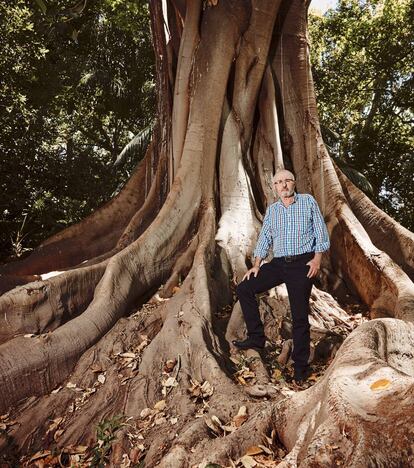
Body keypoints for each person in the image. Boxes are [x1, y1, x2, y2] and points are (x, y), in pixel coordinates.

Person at [233, 169, 330, 384]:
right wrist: (256, 265)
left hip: (302, 264)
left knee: (299, 317)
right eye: (279, 182)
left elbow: (320, 232)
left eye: (287, 180)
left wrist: (317, 260)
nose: (283, 185)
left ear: (294, 183)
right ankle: (257, 338)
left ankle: (300, 367)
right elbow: (265, 237)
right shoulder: (273, 210)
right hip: (278, 264)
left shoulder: (307, 202)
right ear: (274, 187)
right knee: (244, 288)